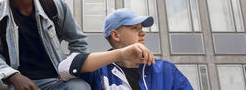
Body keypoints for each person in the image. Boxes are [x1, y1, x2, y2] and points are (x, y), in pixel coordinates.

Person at [58, 8, 193, 90]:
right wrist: (123, 53)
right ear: (115, 35)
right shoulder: (99, 71)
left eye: (142, 29)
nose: (142, 33)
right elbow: (63, 68)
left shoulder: (166, 70)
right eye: (135, 28)